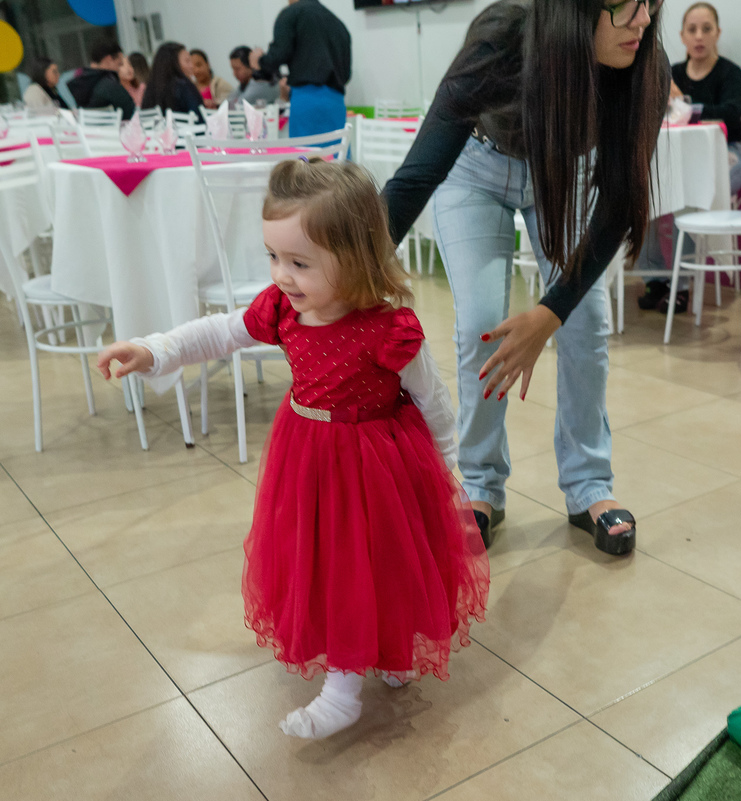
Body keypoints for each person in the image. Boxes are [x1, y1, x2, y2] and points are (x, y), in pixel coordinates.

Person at [95, 159, 488, 740]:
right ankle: (349, 676)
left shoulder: (389, 328)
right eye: (273, 257)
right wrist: (155, 350)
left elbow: (432, 399)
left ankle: (362, 673)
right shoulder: (284, 309)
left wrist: (448, 465)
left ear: (356, 258)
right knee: (330, 564)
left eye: (300, 262)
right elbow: (221, 332)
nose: (281, 274)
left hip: (378, 462)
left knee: (378, 560)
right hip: (308, 458)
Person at [384, 0, 669, 556]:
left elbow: (616, 209)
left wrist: (549, 313)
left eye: (653, 3)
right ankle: (480, 485)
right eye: (627, 4)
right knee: (483, 326)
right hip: (476, 169)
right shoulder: (503, 36)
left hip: (562, 170)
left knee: (584, 322)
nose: (644, 20)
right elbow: (417, 175)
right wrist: (344, 265)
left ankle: (590, 485)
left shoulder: (644, 63)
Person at [635, 1, 741, 314]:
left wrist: (684, 105)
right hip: (674, 160)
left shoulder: (730, 74)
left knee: (688, 194)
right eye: (692, 29)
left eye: (706, 29)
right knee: (647, 193)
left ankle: (680, 285)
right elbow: (652, 113)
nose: (699, 36)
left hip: (726, 159)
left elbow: (730, 114)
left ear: (717, 34)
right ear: (682, 36)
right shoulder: (670, 74)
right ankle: (654, 278)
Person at [249, 0, 351, 137]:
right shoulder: (338, 24)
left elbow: (278, 56)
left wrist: (259, 61)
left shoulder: (291, 14)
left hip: (306, 101)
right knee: (337, 154)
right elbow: (346, 74)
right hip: (336, 103)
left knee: (305, 156)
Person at [67, 37, 137, 119]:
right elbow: (131, 113)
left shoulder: (82, 82)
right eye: (119, 64)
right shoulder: (109, 85)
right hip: (113, 130)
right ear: (108, 59)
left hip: (90, 130)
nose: (119, 69)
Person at [141, 42, 205, 117]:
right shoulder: (184, 86)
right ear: (174, 64)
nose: (191, 66)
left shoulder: (151, 88)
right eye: (187, 61)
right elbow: (199, 117)